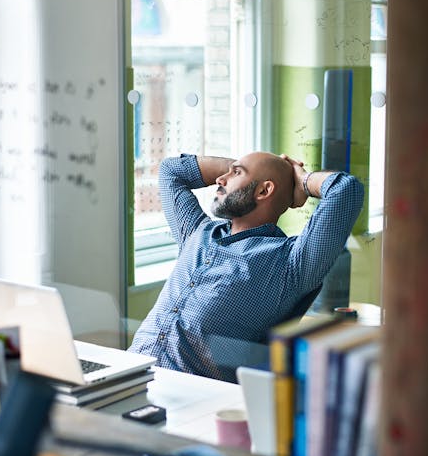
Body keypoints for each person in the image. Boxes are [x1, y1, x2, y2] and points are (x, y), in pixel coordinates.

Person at [128, 152, 364, 382]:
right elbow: (171, 171)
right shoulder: (197, 232)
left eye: (235, 173)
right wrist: (244, 167)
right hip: (129, 372)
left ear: (264, 191)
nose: (220, 179)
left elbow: (346, 189)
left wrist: (299, 178)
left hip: (192, 398)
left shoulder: (290, 263)